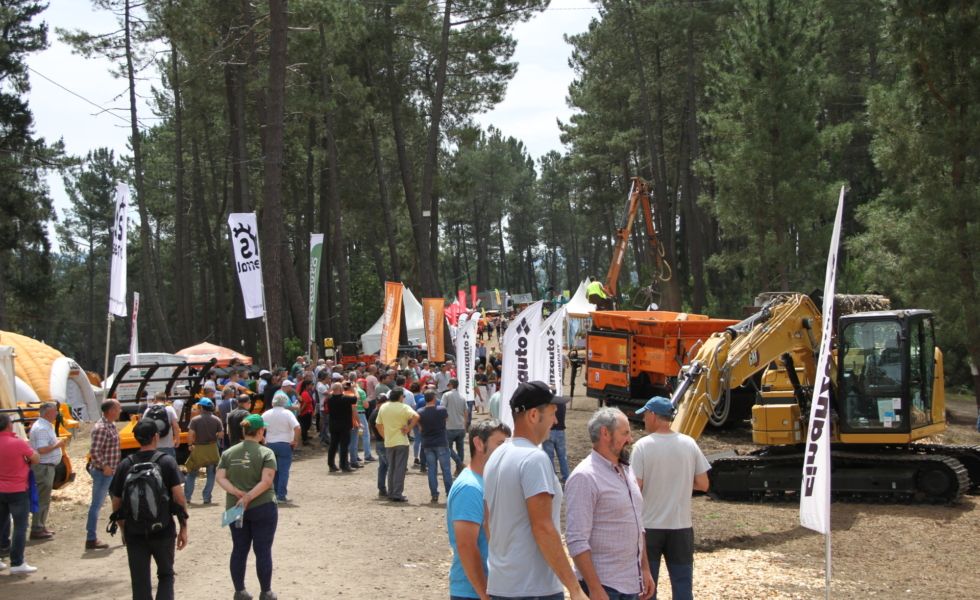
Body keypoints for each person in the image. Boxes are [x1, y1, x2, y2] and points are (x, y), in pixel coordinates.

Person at [483, 381, 587, 600]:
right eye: (551, 414)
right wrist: (575, 589)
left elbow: (488, 521)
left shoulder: (497, 456)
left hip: (503, 583)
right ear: (533, 415)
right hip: (534, 588)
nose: (555, 421)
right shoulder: (534, 459)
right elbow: (543, 527)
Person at [565, 408, 654, 600]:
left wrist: (644, 569)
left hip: (630, 583)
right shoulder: (585, 477)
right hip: (604, 587)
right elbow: (576, 539)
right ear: (605, 433)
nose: (630, 439)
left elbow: (638, 525)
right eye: (625, 433)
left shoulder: (626, 469)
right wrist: (595, 588)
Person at [630, 397, 710, 600]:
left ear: (654, 415)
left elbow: (635, 487)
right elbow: (703, 484)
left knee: (647, 587)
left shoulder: (642, 446)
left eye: (646, 415)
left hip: (650, 527)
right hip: (681, 527)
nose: (644, 420)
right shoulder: (689, 443)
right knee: (683, 585)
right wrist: (682, 483)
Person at [110, 419, 189, 600]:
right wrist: (183, 527)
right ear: (156, 436)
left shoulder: (125, 464)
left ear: (136, 438)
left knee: (139, 581)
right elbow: (179, 497)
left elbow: (116, 502)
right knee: (166, 575)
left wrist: (123, 528)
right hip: (163, 529)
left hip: (135, 531)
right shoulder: (167, 461)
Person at [446, 419, 511, 600]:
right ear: (478, 443)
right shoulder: (470, 487)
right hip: (473, 593)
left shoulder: (485, 481)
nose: (505, 452)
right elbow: (466, 546)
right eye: (499, 444)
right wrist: (485, 595)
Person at [216, 414, 279, 600]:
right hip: (263, 506)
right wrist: (249, 497)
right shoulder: (266, 453)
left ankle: (239, 591)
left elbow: (220, 477)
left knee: (239, 549)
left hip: (235, 508)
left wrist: (237, 493)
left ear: (244, 432)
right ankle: (266, 591)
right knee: (263, 549)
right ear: (260, 431)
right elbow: (267, 481)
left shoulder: (228, 453)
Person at [0, 413, 40, 573]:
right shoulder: (18, 443)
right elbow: (35, 458)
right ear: (9, 425)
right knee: (20, 527)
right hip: (17, 489)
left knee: (1, 524)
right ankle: (17, 562)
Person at [86, 399, 122, 550]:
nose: (120, 410)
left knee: (118, 500)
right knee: (96, 505)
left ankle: (125, 534)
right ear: (111, 411)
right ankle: (91, 538)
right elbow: (94, 451)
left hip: (112, 471)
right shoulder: (101, 428)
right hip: (103, 473)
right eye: (118, 408)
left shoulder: (110, 426)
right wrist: (104, 466)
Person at [28, 402, 65, 540]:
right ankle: (37, 528)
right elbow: (41, 450)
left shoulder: (44, 426)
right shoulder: (42, 428)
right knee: (42, 498)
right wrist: (59, 444)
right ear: (47, 413)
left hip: (46, 467)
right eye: (54, 411)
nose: (56, 413)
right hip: (43, 467)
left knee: (44, 498)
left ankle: (41, 525)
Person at [376, 388, 419, 502]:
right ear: (400, 396)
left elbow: (378, 424)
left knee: (391, 468)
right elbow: (416, 416)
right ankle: (397, 493)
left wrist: (385, 436)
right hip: (401, 441)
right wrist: (409, 428)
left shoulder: (384, 407)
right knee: (399, 468)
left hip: (389, 442)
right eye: (403, 396)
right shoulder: (404, 407)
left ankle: (391, 492)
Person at [261, 392, 300, 503]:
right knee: (284, 471)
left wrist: (263, 440)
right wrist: (295, 440)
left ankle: (274, 493)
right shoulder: (287, 413)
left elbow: (260, 428)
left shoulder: (266, 414)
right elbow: (297, 427)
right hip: (284, 443)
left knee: (273, 470)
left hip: (270, 444)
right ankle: (281, 495)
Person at [184, 398, 224, 504]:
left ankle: (187, 497)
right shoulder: (217, 420)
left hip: (199, 449)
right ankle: (207, 498)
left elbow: (191, 434)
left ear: (201, 407)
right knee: (211, 474)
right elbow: (221, 435)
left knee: (192, 473)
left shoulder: (195, 420)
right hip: (212, 449)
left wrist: (190, 445)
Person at [418, 390, 452, 503]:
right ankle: (449, 493)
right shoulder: (441, 409)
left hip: (428, 443)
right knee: (446, 469)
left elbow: (420, 428)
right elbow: (446, 420)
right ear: (433, 398)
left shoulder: (420, 411)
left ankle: (434, 494)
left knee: (432, 470)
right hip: (441, 442)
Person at [327, 382, 357, 472]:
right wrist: (353, 389)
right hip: (344, 425)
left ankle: (331, 465)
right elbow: (356, 398)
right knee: (344, 445)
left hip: (333, 425)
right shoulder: (346, 398)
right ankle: (344, 465)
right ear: (341, 389)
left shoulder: (329, 399)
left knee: (333, 445)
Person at [441, 379, 468, 475]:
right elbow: (466, 412)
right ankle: (459, 469)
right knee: (460, 449)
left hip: (449, 426)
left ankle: (459, 464)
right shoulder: (462, 397)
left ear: (451, 385)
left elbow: (442, 409)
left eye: (448, 384)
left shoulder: (446, 395)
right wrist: (465, 426)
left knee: (447, 448)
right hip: (460, 426)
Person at [541, 401, 570, 485]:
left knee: (549, 457)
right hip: (560, 431)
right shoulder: (562, 404)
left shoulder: (547, 404)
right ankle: (566, 476)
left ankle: (553, 478)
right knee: (562, 456)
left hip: (549, 431)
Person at [144, 393, 180, 459]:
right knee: (169, 467)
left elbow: (144, 427)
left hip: (152, 446)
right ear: (165, 400)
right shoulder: (170, 409)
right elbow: (175, 426)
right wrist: (177, 439)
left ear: (155, 400)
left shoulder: (148, 410)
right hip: (168, 445)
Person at [368, 394, 389, 497]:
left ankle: (382, 488)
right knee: (389, 466)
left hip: (380, 442)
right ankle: (390, 489)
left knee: (383, 467)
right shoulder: (379, 414)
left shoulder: (375, 412)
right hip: (383, 442)